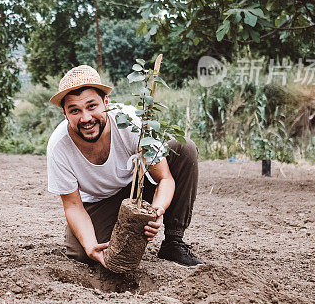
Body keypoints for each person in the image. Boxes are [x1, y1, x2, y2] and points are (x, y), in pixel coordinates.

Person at [46, 65, 203, 268]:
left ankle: (173, 241)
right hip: (98, 201)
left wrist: (156, 212)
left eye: (91, 106)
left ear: (106, 103)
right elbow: (73, 205)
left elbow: (164, 178)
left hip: (138, 188)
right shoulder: (59, 146)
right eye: (75, 110)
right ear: (65, 114)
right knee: (81, 253)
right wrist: (91, 245)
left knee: (183, 148)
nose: (85, 118)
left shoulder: (131, 122)